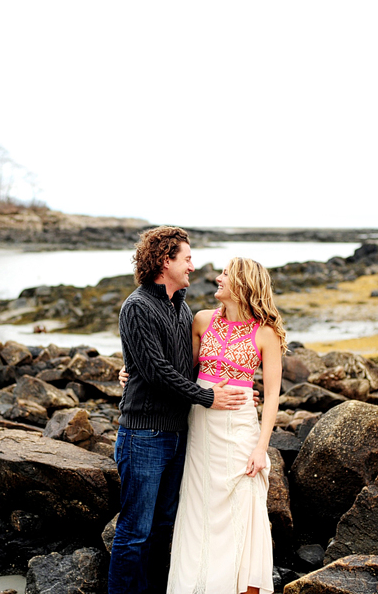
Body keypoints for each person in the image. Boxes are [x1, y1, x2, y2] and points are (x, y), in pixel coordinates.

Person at [109, 226, 250, 594]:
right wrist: (206, 398)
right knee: (134, 532)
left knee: (163, 528)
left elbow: (188, 366)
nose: (192, 266)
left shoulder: (183, 308)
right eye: (187, 258)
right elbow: (156, 371)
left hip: (177, 433)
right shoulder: (137, 306)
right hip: (143, 435)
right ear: (164, 260)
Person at [166, 257, 285, 594]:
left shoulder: (267, 333)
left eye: (225, 275)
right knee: (200, 509)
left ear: (243, 284)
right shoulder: (201, 320)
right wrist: (132, 373)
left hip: (241, 430)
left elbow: (273, 395)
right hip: (203, 428)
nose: (217, 278)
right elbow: (180, 373)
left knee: (244, 505)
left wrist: (261, 448)